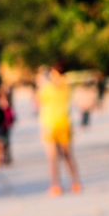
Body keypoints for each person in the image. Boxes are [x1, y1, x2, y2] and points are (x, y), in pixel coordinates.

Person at [37, 63, 81, 195]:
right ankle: (75, 182)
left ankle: (55, 185)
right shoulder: (67, 86)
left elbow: (39, 101)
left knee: (53, 157)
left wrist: (42, 83)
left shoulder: (48, 87)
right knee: (67, 155)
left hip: (51, 123)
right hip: (64, 122)